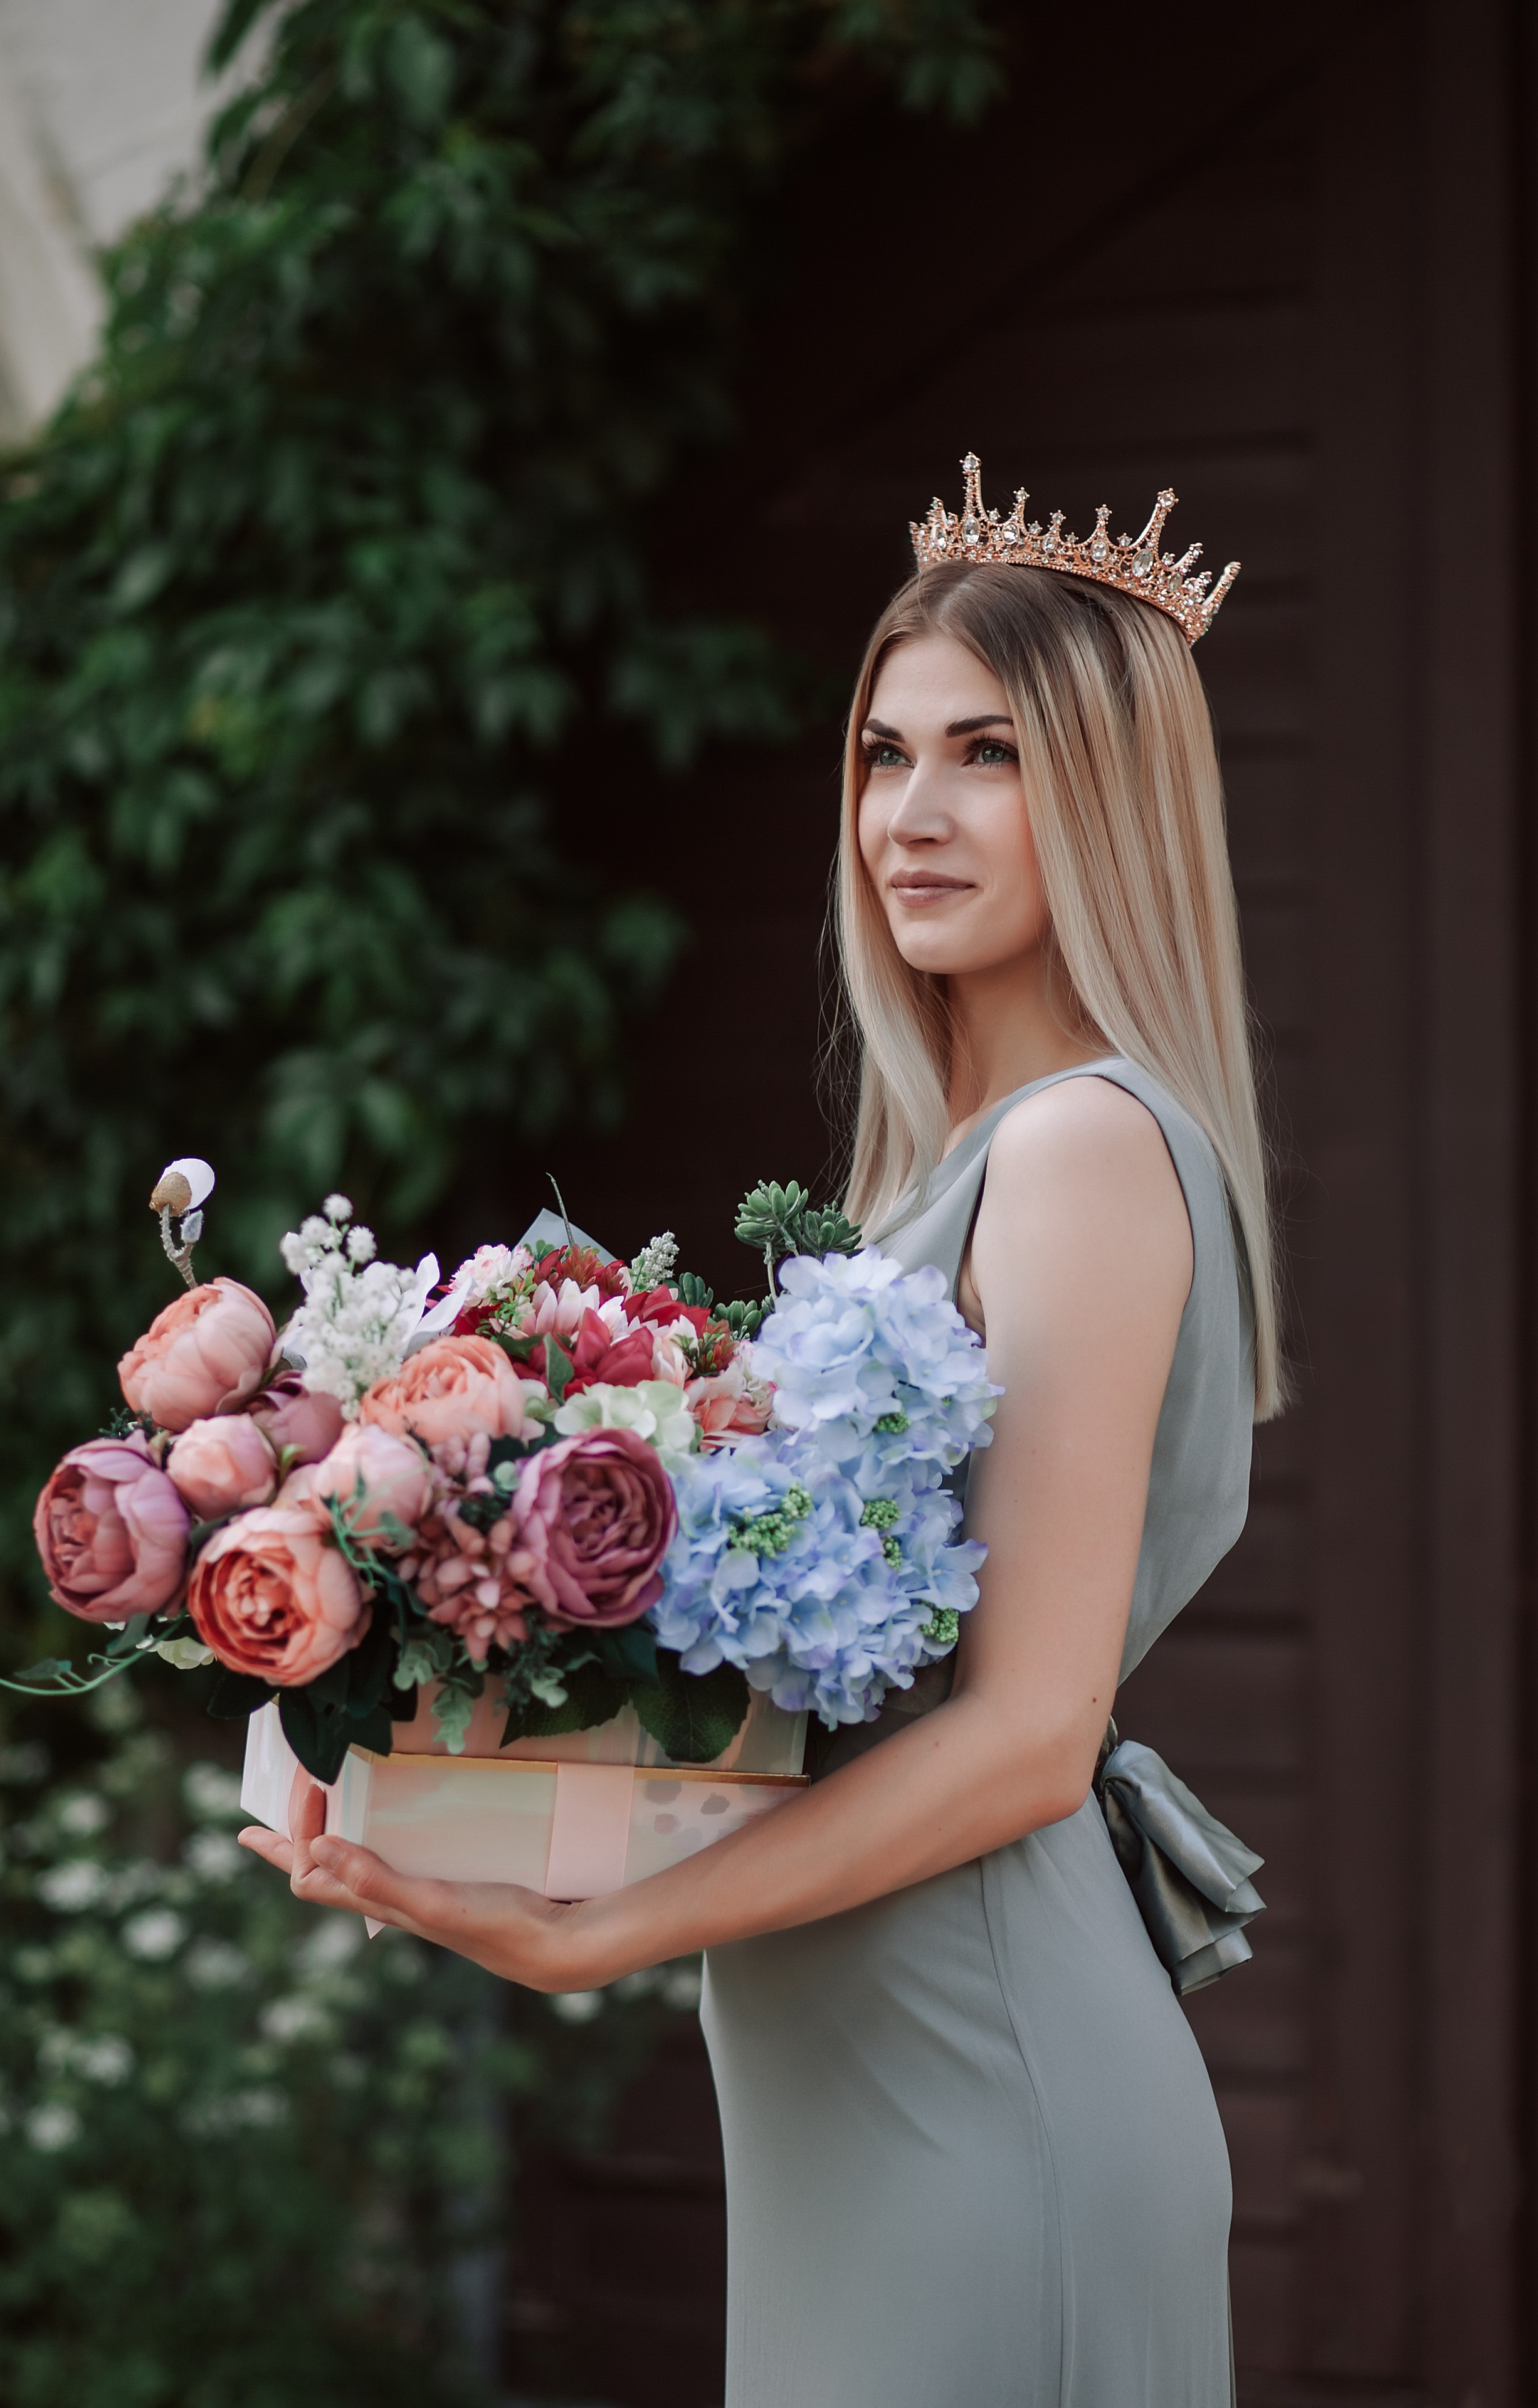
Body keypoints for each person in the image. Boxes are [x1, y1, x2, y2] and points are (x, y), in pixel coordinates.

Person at [242, 462, 1279, 2407]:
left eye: (989, 754)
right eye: (883, 755)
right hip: (853, 2069)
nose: (913, 813)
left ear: (1115, 798)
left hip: (986, 2073)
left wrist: (601, 1934)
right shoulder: (951, 1163)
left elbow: (1034, 1734)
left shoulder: (1079, 1147)